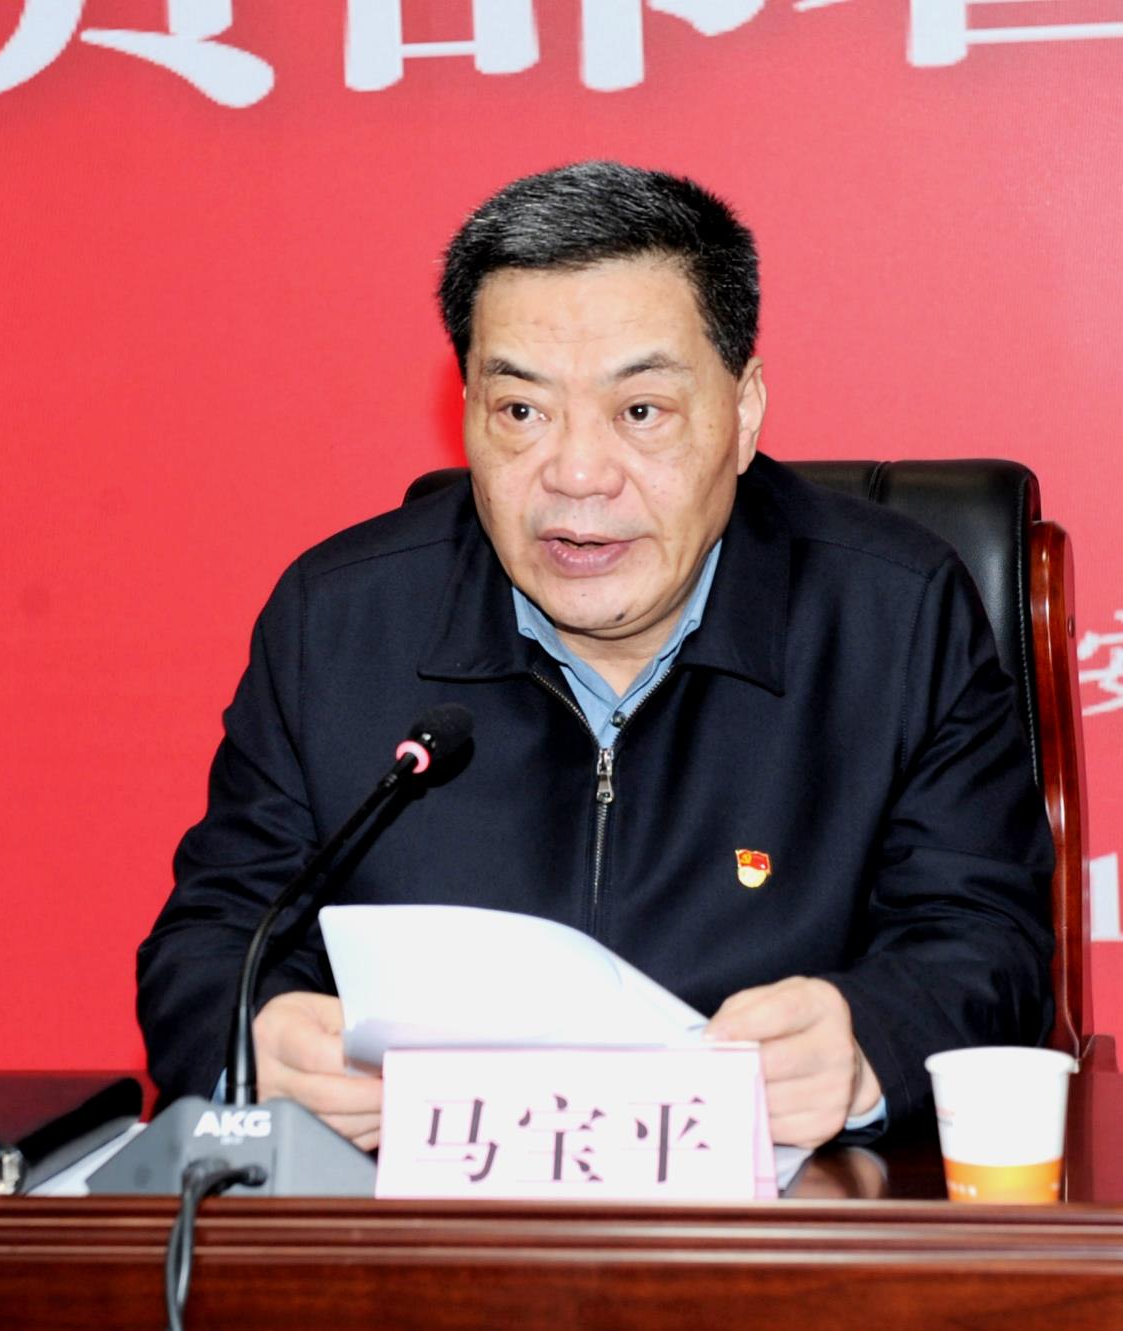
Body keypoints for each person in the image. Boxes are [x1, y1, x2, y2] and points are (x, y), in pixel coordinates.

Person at [136, 161, 1054, 1150]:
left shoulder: (893, 616)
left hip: (772, 1212)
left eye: (640, 412)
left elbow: (987, 944)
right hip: (430, 1212)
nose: (576, 474)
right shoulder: (338, 621)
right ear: (468, 411)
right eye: (521, 412)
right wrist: (257, 1040)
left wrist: (864, 1042)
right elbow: (212, 938)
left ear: (743, 410)